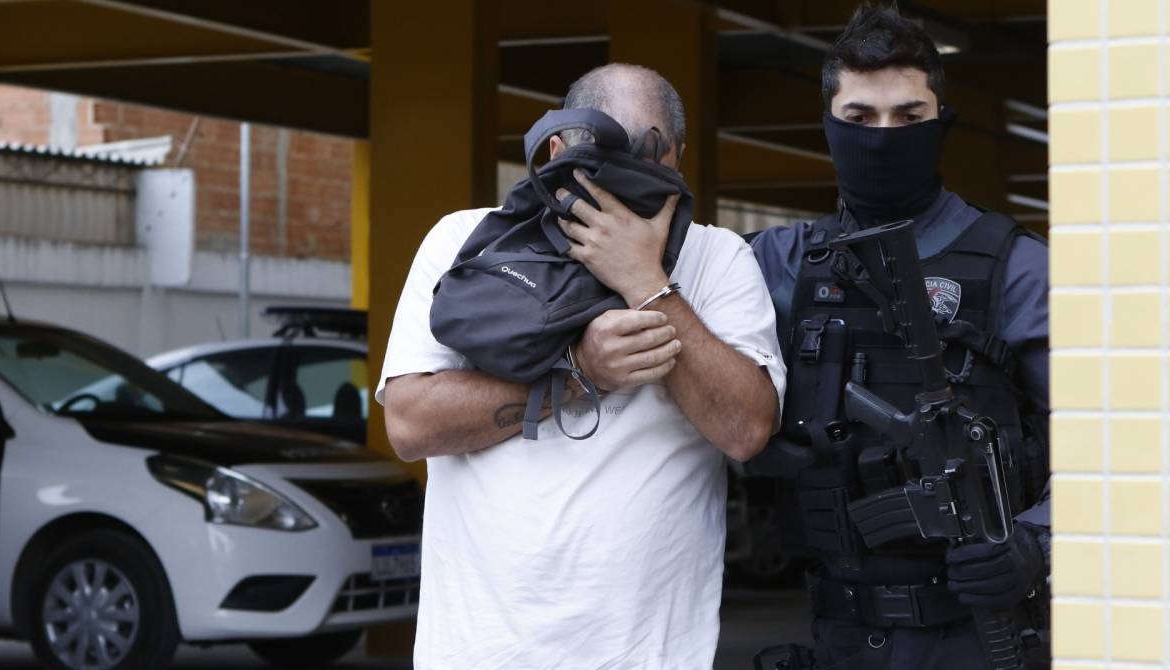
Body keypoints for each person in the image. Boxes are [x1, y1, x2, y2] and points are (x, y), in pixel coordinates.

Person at [378, 63, 785, 670]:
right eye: (608, 153)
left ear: (675, 159)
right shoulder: (467, 242)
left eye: (648, 157)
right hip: (479, 649)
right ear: (557, 147)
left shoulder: (717, 259)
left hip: (647, 654)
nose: (624, 180)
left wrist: (648, 284)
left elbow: (747, 430)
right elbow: (410, 426)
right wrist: (579, 373)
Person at [746, 5, 1050, 669]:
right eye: (860, 118)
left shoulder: (1017, 268)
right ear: (830, 124)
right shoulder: (779, 262)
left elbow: (1113, 446)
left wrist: (1037, 545)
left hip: (973, 630)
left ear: (941, 122)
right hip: (839, 635)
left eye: (908, 117)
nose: (884, 136)